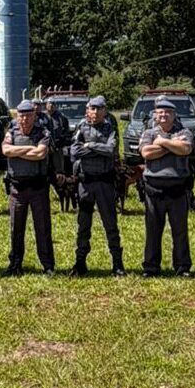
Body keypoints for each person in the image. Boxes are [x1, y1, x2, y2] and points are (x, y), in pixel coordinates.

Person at [138, 96, 194, 278]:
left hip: (178, 189)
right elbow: (146, 153)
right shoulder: (148, 133)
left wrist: (162, 142)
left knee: (180, 231)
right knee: (153, 231)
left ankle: (182, 267)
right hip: (154, 189)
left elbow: (186, 149)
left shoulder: (185, 131)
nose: (164, 115)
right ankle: (151, 267)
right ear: (155, 115)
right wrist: (173, 145)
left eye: (168, 112)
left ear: (174, 115)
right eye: (160, 112)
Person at [69, 96, 124, 276]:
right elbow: (74, 152)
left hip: (105, 183)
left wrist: (90, 145)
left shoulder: (110, 128)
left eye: (98, 109)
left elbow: (111, 150)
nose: (94, 112)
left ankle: (117, 263)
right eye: (91, 108)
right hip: (85, 183)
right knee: (83, 225)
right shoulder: (81, 127)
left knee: (110, 224)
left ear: (104, 111)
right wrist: (97, 150)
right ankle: (80, 262)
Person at [0, 100, 54, 276]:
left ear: (34, 116)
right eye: (22, 116)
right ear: (17, 117)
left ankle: (47, 266)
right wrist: (29, 148)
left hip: (38, 187)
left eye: (28, 115)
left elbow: (40, 154)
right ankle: (15, 264)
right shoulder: (11, 132)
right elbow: (6, 151)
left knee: (43, 228)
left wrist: (18, 151)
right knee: (16, 228)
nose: (25, 119)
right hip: (17, 188)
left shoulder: (43, 132)